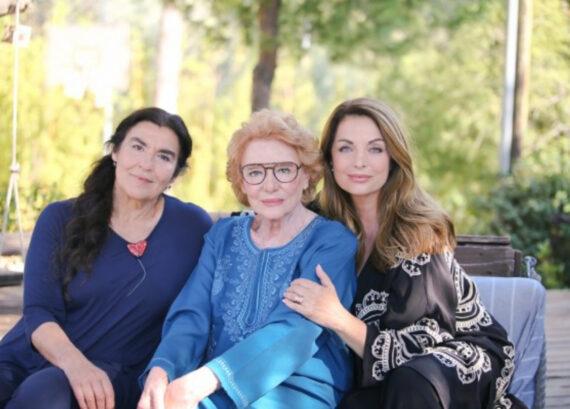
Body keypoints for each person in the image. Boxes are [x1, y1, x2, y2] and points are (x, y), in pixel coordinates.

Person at [284, 98, 527, 409]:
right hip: (376, 373)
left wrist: (337, 318)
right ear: (330, 159)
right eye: (345, 148)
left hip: (450, 357)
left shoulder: (419, 230)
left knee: (412, 381)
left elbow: (419, 344)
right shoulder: (319, 223)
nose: (360, 162)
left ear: (393, 158)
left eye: (375, 149)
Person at [138, 109, 357, 409]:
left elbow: (295, 331)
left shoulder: (332, 241)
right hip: (210, 386)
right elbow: (192, 314)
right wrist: (163, 370)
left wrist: (204, 381)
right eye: (255, 172)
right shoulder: (223, 235)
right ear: (241, 182)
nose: (269, 185)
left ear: (306, 174)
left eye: (284, 170)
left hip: (294, 390)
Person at [0, 107, 213, 409]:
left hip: (113, 374)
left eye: (164, 157)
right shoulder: (60, 218)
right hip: (34, 356)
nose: (146, 164)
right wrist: (76, 366)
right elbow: (39, 312)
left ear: (175, 174)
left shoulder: (191, 227)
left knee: (46, 394)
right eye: (138, 147)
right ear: (115, 152)